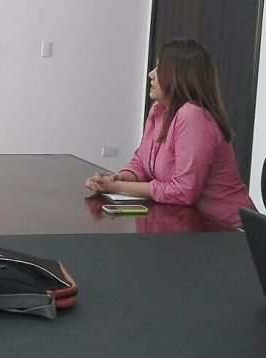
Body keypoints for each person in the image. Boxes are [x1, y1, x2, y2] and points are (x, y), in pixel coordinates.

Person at [85, 39, 255, 227]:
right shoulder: (159, 110)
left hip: (227, 229)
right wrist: (118, 178)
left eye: (160, 69)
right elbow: (141, 162)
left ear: (179, 76)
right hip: (186, 222)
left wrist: (117, 187)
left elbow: (184, 191)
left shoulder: (193, 116)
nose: (151, 75)